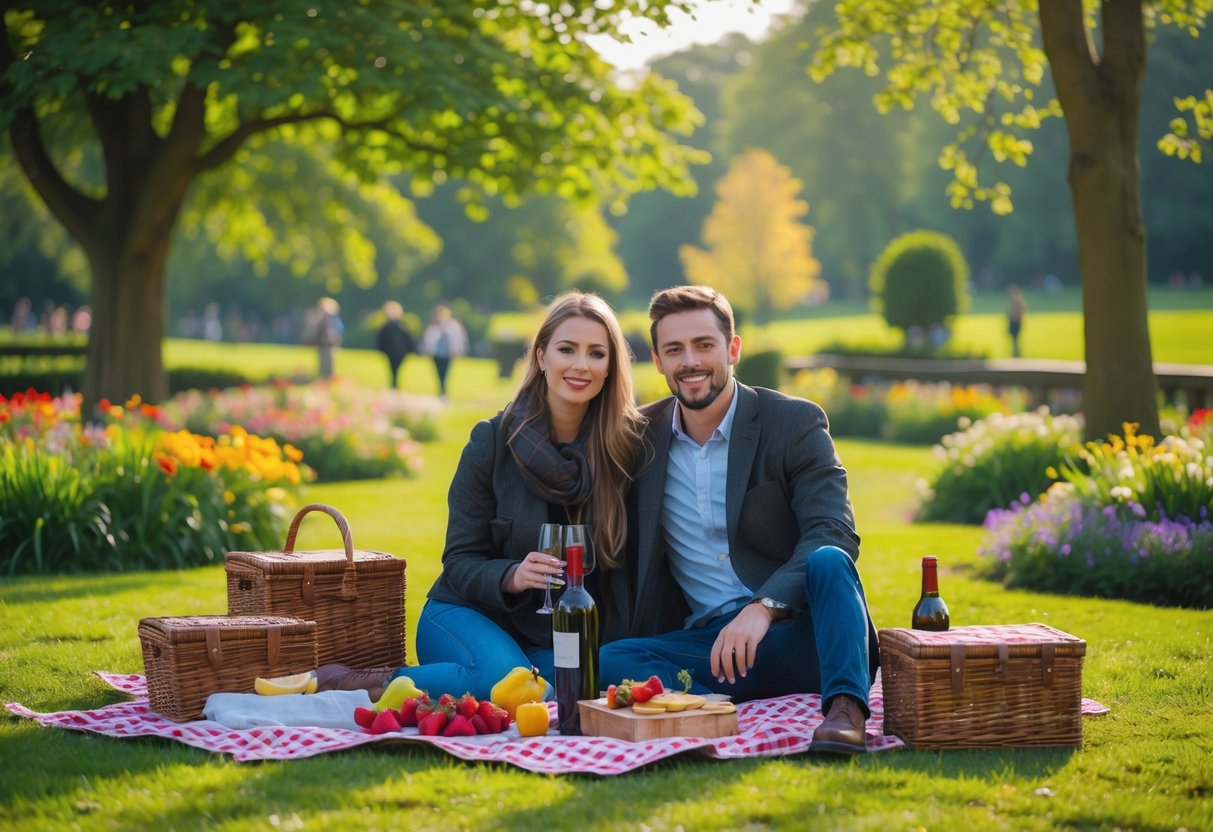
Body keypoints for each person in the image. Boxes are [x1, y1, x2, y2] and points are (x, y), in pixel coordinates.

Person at [317, 291, 644, 700]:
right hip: (466, 613)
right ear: (541, 356)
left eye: (597, 353)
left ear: (611, 366)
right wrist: (512, 575)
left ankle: (494, 673)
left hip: (551, 634)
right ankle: (355, 682)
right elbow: (459, 561)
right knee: (503, 678)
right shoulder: (492, 442)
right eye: (567, 349)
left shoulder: (623, 449)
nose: (581, 365)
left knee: (583, 681)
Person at [599, 285, 880, 756]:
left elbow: (832, 529)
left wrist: (764, 606)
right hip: (711, 649)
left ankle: (845, 711)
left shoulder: (793, 423)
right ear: (658, 360)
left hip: (797, 634)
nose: (690, 361)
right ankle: (708, 707)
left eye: (704, 345)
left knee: (830, 559)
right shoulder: (639, 440)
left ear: (733, 348)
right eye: (675, 349)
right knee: (614, 658)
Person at [420, 303, 468, 399]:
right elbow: (428, 339)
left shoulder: (452, 325)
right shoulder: (433, 325)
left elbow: (458, 339)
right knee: (438, 372)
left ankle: (443, 391)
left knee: (445, 373)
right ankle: (441, 390)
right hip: (436, 353)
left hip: (447, 353)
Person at [375, 301, 417, 389]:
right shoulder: (388, 327)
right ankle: (394, 384)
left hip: (399, 352)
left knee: (395, 369)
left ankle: (394, 384)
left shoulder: (401, 326)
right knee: (393, 369)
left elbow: (407, 340)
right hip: (392, 352)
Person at [305, 297, 343, 380]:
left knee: (328, 361)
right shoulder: (324, 318)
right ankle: (324, 377)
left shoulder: (330, 319)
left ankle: (327, 377)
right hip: (323, 343)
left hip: (327, 343)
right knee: (324, 360)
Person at [1007, 284, 1026, 357]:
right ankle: (1016, 353)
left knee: (1015, 339)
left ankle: (1016, 354)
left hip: (1015, 322)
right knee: (1015, 339)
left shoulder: (1016, 301)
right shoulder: (1019, 300)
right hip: (1016, 322)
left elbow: (1017, 312)